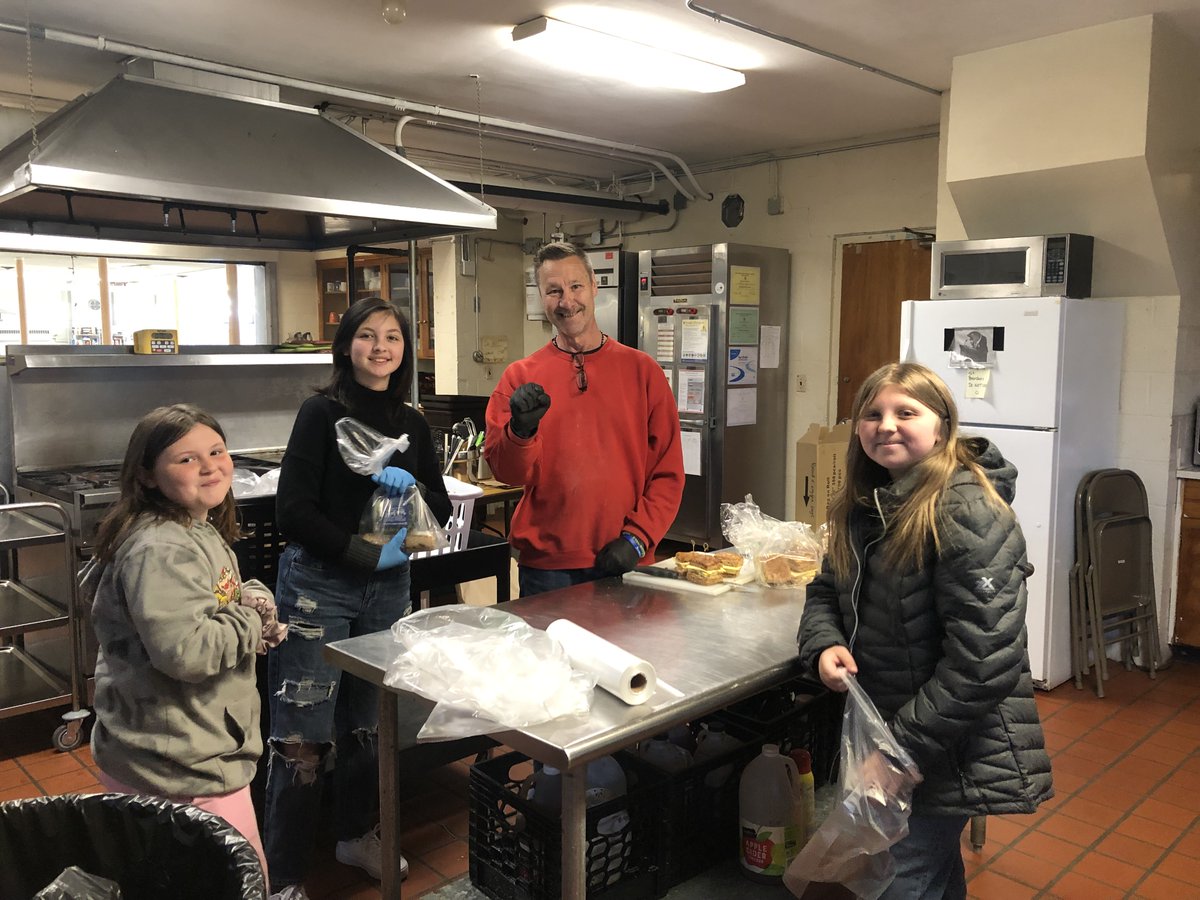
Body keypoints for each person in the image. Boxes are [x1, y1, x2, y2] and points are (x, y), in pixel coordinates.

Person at [796, 362, 1052, 899]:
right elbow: (824, 587)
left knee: (901, 877)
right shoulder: (868, 503)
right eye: (873, 414)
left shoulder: (966, 509)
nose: (886, 425)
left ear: (942, 426)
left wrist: (898, 754)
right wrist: (824, 643)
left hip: (943, 748)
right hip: (896, 727)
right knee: (933, 872)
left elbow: (984, 662)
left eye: (906, 412)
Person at [263, 297, 450, 900]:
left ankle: (354, 834)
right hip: (318, 588)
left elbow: (439, 507)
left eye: (392, 337)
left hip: (386, 590)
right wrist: (363, 555)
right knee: (304, 729)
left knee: (369, 723)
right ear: (346, 346)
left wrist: (412, 485)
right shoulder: (321, 413)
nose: (381, 347)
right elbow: (293, 511)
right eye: (367, 335)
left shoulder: (411, 422)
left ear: (404, 349)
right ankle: (284, 872)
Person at [88, 403, 287, 882]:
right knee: (236, 882)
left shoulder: (193, 526)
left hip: (180, 747)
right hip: (181, 764)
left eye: (216, 451)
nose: (210, 466)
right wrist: (251, 620)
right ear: (147, 476)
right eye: (186, 458)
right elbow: (188, 651)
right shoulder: (160, 548)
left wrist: (249, 597)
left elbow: (211, 599)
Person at [484, 240, 684, 596]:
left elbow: (667, 474)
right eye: (554, 291)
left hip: (626, 558)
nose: (567, 301)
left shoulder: (643, 372)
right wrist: (520, 432)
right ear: (541, 297)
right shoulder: (520, 377)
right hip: (547, 568)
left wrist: (637, 538)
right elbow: (507, 474)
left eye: (575, 286)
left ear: (594, 286)